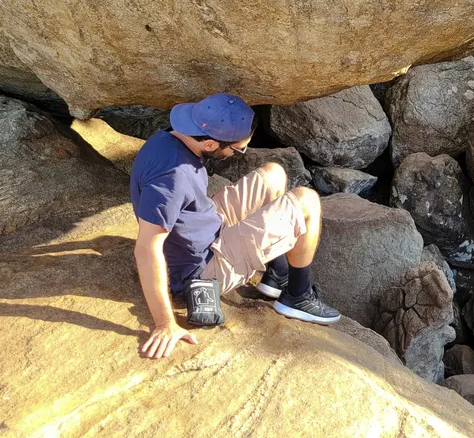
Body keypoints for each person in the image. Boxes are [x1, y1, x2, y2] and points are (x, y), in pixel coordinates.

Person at [130, 92, 340, 359]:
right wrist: (165, 323)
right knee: (307, 201)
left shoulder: (167, 138)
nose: (239, 153)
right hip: (202, 267)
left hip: (202, 225)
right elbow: (147, 249)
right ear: (208, 144)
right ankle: (297, 297)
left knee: (274, 174)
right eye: (237, 149)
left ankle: (276, 275)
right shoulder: (173, 179)